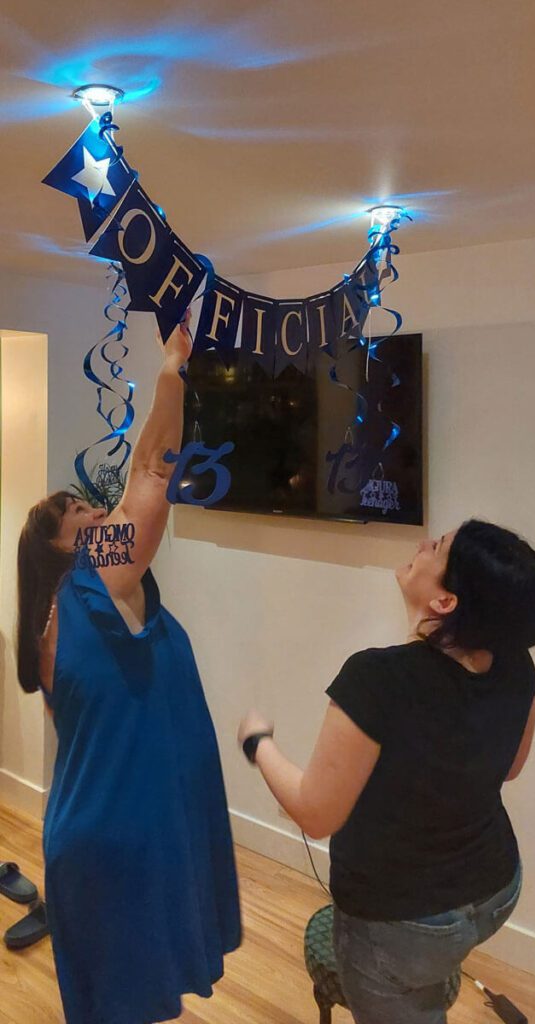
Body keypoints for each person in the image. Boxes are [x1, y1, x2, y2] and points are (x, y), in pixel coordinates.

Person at [17, 313, 241, 1024]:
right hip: (121, 845)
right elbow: (150, 470)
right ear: (65, 547)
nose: (99, 511)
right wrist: (172, 368)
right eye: (81, 513)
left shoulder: (47, 622)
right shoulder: (96, 580)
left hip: (85, 839)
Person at [238, 521, 535, 1024]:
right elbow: (510, 768)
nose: (425, 543)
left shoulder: (375, 679)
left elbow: (315, 816)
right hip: (496, 892)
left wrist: (258, 742)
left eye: (440, 547)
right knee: (424, 981)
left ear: (446, 602)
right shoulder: (517, 665)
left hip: (403, 920)